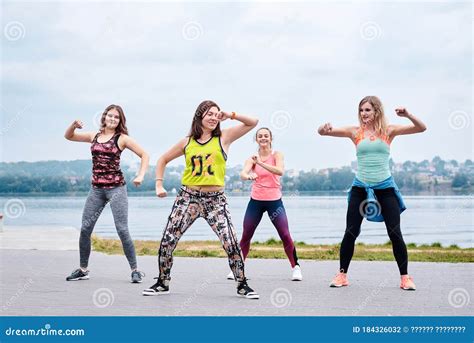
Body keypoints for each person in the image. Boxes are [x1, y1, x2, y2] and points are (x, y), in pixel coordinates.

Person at [142, 100, 260, 299]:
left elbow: (253, 122)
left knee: (230, 242)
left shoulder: (224, 137)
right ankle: (163, 282)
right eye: (209, 114)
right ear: (199, 116)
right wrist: (158, 184)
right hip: (188, 198)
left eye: (216, 114)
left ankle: (242, 284)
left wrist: (230, 114)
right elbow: (162, 160)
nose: (214, 117)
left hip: (215, 200)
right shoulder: (187, 142)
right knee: (167, 241)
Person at [317, 96, 426, 290]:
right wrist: (322, 129)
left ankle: (405, 278)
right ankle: (342, 275)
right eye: (361, 110)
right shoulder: (355, 132)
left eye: (367, 110)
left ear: (376, 111)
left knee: (395, 233)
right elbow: (323, 133)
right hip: (360, 187)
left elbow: (421, 128)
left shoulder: (388, 131)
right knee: (351, 232)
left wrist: (408, 114)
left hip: (385, 188)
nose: (363, 114)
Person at [64, 104, 149, 283]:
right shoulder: (94, 136)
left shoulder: (122, 138)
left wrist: (140, 175)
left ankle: (135, 270)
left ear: (120, 121)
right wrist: (73, 125)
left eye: (116, 117)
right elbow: (69, 136)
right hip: (96, 190)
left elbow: (144, 154)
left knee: (122, 229)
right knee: (85, 228)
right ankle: (83, 269)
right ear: (104, 117)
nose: (112, 119)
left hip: (116, 189)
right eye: (110, 116)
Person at [226, 127, 302, 281]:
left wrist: (260, 163)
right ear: (256, 139)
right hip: (256, 201)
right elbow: (242, 173)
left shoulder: (277, 155)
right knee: (246, 235)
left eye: (266, 136)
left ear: (270, 138)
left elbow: (279, 171)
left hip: (274, 201)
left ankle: (296, 267)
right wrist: (249, 175)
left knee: (285, 235)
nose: (263, 138)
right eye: (260, 136)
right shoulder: (252, 158)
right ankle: (238, 267)